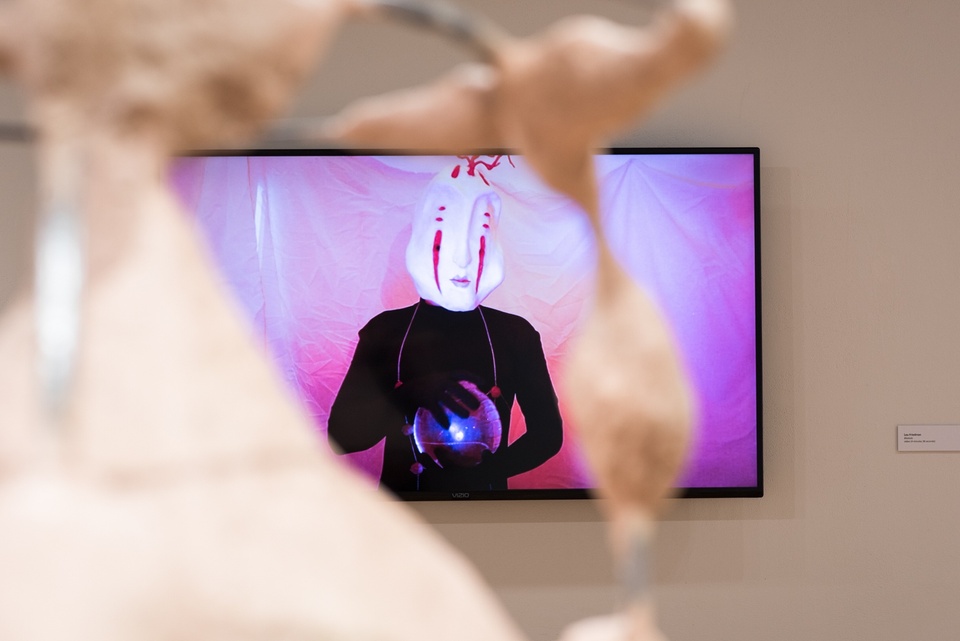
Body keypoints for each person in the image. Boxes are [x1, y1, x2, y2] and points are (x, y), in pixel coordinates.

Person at [328, 156, 563, 494]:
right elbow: (343, 437)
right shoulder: (386, 331)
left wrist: (489, 472)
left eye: (479, 239)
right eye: (441, 242)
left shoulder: (515, 334)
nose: (462, 259)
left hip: (491, 519)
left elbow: (547, 435)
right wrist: (409, 393)